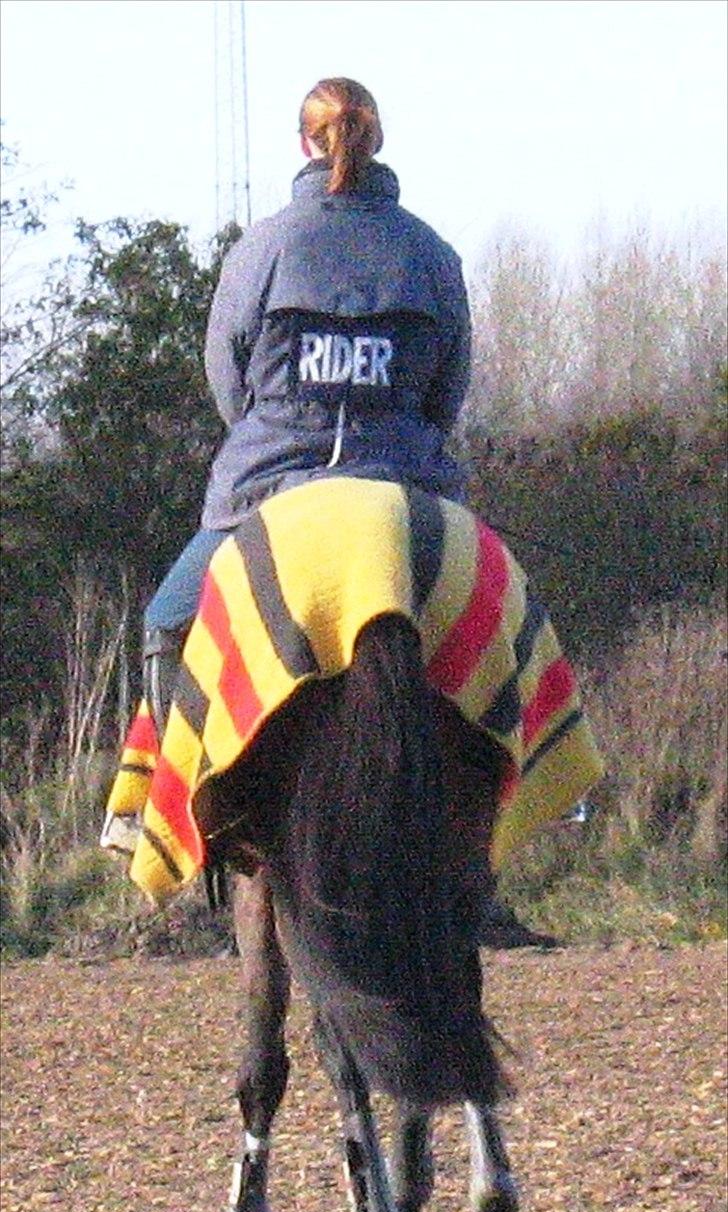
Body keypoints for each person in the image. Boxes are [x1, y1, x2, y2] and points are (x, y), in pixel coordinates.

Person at [140, 76, 556, 949]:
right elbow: (450, 392)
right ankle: (506, 839)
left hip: (267, 488)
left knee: (166, 621)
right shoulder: (433, 255)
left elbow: (229, 383)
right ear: (375, 140)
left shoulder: (264, 247)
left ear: (306, 144)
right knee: (511, 620)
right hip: (413, 493)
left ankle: (197, 821)